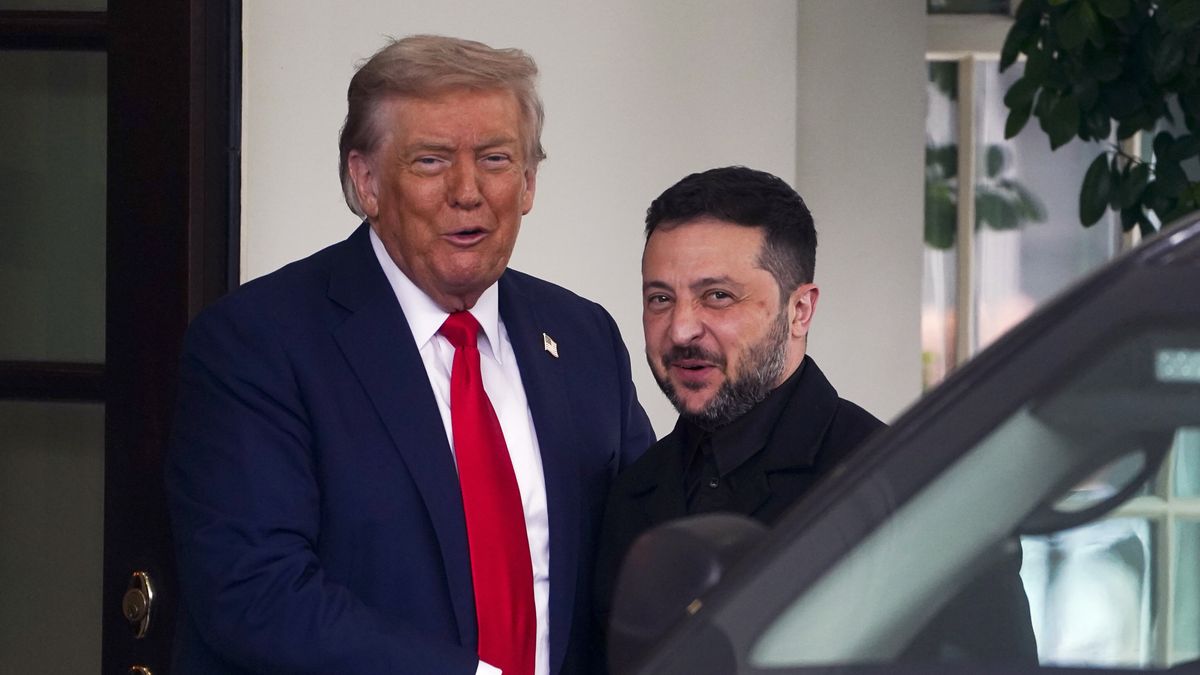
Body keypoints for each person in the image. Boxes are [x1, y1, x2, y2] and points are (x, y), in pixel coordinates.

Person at [165, 35, 654, 675]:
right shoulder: (257, 342)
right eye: (431, 161)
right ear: (365, 181)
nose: (468, 191)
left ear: (530, 182)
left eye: (496, 159)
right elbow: (254, 592)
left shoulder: (584, 337)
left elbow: (642, 550)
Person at [594, 166, 1036, 669]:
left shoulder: (919, 497)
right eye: (660, 299)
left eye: (718, 296)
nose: (681, 329)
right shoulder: (632, 492)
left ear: (800, 310)